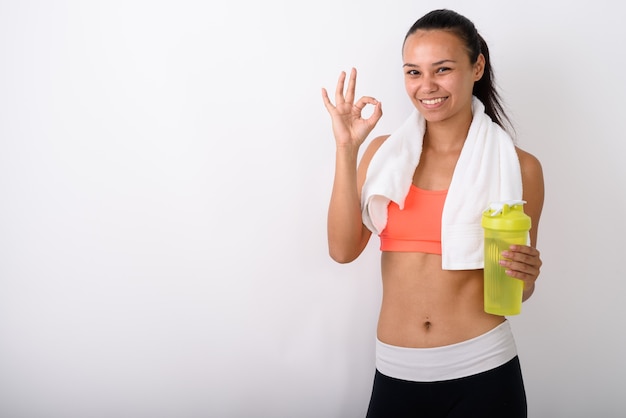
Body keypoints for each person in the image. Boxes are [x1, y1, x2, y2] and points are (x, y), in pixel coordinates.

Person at [321, 9, 544, 418]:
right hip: (395, 371)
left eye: (442, 69)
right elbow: (341, 249)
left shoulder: (516, 166)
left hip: (484, 371)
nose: (427, 87)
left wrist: (526, 277)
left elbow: (519, 291)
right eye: (413, 72)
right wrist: (346, 148)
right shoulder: (384, 155)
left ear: (477, 66)